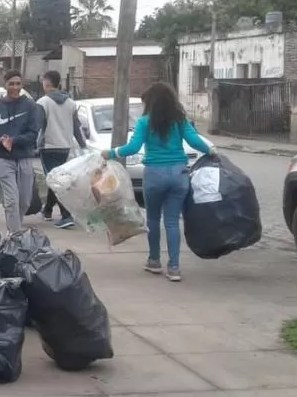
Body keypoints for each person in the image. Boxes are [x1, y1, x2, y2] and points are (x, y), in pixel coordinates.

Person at [101, 82, 216, 282]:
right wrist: (210, 151)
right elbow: (194, 140)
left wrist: (111, 153)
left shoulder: (144, 122)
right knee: (172, 222)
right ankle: (174, 267)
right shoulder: (180, 120)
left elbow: (133, 147)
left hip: (154, 175)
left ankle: (154, 261)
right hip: (179, 175)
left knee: (153, 219)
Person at [0, 70, 42, 234]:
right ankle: (15, 236)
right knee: (11, 201)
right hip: (2, 158)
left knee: (24, 201)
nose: (15, 87)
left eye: (18, 84)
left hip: (23, 157)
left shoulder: (30, 106)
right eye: (11, 84)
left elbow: (33, 134)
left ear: (22, 85)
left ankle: (14, 229)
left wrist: (13, 141)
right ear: (5, 85)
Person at [36, 70, 87, 229]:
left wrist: (32, 144)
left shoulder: (42, 102)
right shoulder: (71, 103)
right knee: (56, 179)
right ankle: (48, 210)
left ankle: (66, 215)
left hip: (48, 147)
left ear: (46, 83)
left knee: (55, 181)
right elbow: (76, 127)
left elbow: (38, 126)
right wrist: (83, 145)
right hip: (65, 147)